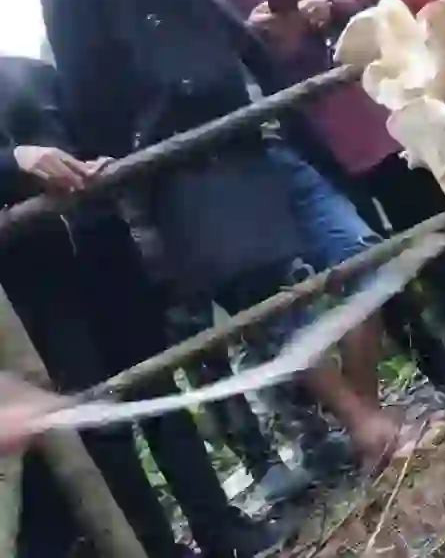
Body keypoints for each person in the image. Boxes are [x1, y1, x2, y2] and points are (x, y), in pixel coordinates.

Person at [41, 0, 408, 482]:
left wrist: (265, 47)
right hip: (194, 170)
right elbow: (91, 103)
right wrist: (155, 141)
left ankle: (366, 414)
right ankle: (364, 424)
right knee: (277, 306)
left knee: (359, 252)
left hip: (261, 138)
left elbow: (226, 42)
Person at [157, 0, 445, 398]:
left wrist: (325, 8)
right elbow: (213, 66)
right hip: (296, 128)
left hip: (356, 103)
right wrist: (247, 35)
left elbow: (358, 2)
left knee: (419, 217)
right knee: (359, 252)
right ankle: (434, 360)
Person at [0, 55, 271, 557]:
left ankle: (221, 529)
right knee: (98, 425)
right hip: (34, 284)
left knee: (156, 385)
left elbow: (90, 131)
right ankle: (154, 548)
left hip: (103, 249)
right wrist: (14, 160)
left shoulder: (30, 72)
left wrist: (99, 160)